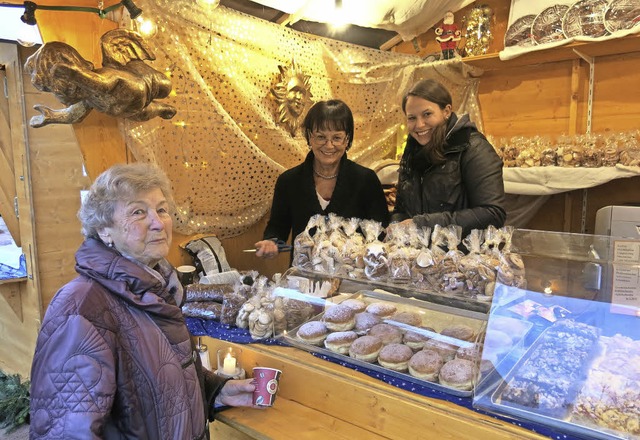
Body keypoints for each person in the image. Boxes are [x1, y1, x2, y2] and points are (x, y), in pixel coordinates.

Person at [29, 163, 260, 439]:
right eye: (138, 212)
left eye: (162, 209)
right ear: (104, 230)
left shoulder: (157, 288)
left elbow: (154, 388)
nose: (158, 222)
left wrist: (214, 391)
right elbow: (66, 431)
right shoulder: (81, 308)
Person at [255, 99, 390, 259]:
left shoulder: (366, 180)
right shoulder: (289, 181)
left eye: (337, 137)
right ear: (309, 137)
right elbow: (278, 226)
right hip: (304, 277)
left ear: (347, 140)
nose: (329, 145)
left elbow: (381, 231)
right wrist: (271, 242)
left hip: (353, 276)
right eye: (321, 137)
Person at [391, 79, 506, 237]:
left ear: (446, 111)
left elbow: (492, 213)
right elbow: (402, 209)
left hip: (464, 256)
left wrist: (421, 224)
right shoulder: (411, 151)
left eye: (427, 114)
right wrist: (396, 227)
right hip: (418, 256)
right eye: (412, 118)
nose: (419, 125)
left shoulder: (473, 148)